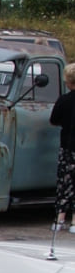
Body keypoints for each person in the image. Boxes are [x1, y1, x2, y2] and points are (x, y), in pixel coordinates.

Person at [52, 62, 75, 235]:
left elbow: (54, 120)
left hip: (67, 145)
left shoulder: (64, 100)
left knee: (64, 181)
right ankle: (74, 222)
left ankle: (59, 219)